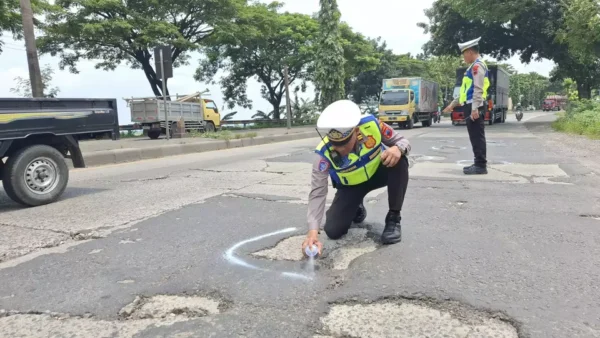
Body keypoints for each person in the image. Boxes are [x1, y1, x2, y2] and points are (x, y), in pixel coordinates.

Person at [301, 100, 411, 256]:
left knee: (399, 160)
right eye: (335, 144)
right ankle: (356, 205)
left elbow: (403, 141)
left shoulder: (373, 126)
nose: (340, 149)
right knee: (333, 230)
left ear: (356, 131)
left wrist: (398, 148)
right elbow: (317, 193)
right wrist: (312, 233)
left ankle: (393, 218)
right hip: (351, 186)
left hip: (378, 174)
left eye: (345, 143)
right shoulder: (322, 155)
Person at [443, 37, 490, 175]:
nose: (463, 57)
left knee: (477, 137)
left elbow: (478, 89)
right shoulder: (472, 67)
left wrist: (475, 108)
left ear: (470, 52)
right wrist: (453, 104)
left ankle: (481, 165)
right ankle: (478, 163)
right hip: (470, 105)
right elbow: (466, 91)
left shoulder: (477, 66)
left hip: (474, 106)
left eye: (464, 54)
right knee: (474, 137)